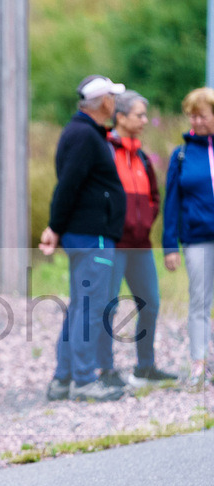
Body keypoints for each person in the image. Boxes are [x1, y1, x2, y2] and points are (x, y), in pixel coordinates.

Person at [39, 75, 127, 402]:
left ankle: (63, 380)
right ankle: (85, 380)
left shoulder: (84, 133)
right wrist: (54, 226)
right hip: (92, 236)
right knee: (90, 308)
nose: (116, 102)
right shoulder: (84, 136)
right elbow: (68, 185)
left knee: (80, 307)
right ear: (103, 101)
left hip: (89, 233)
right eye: (112, 97)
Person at [95, 90, 178, 388]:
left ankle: (145, 367)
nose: (145, 120)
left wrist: (144, 222)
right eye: (139, 114)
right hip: (113, 243)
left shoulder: (142, 156)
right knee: (108, 305)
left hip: (140, 245)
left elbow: (154, 196)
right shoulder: (104, 150)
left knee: (151, 303)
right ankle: (105, 370)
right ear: (121, 117)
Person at [163, 87, 214, 389]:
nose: (195, 121)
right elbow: (171, 203)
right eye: (192, 116)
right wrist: (170, 245)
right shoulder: (181, 155)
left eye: (202, 116)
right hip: (196, 239)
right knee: (199, 300)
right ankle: (199, 363)